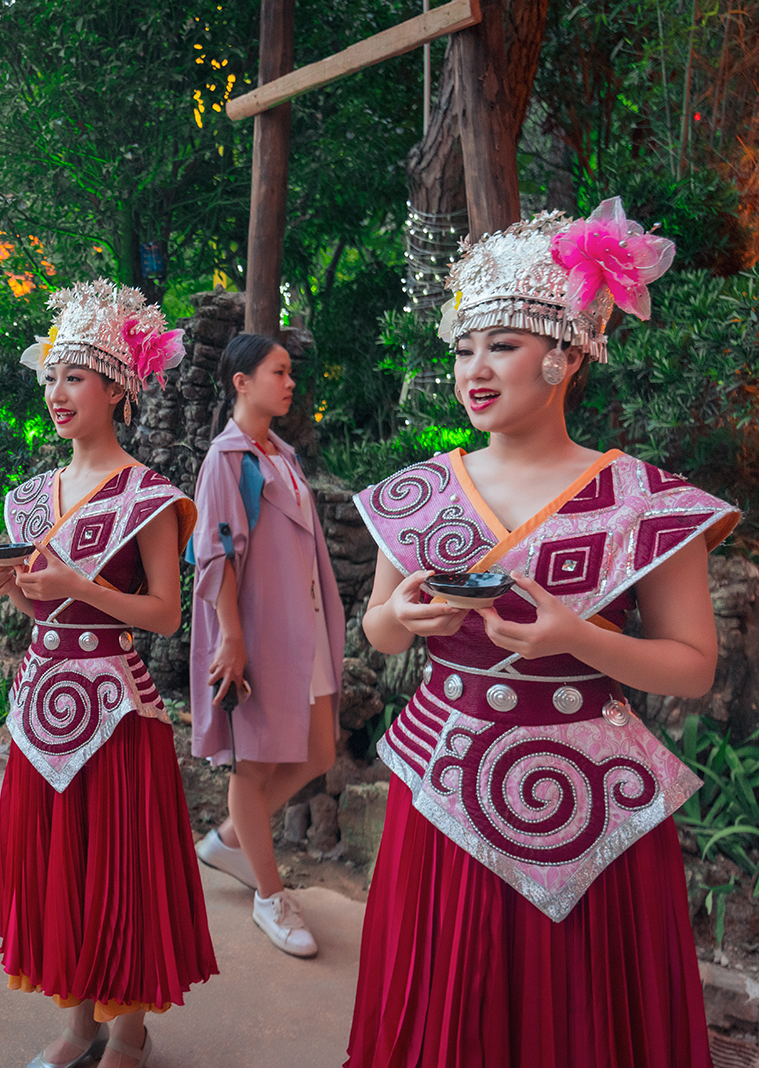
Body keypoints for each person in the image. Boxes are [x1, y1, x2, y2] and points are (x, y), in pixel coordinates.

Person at [345, 199, 724, 1068]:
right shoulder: (418, 492)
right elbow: (379, 629)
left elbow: (693, 668)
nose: (475, 370)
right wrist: (400, 617)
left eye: (502, 346)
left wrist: (579, 639)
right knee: (447, 1008)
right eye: (463, 349)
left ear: (563, 355)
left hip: (591, 800)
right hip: (441, 788)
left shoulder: (645, 500)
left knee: (579, 1022)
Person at [0, 280, 216, 1068]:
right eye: (50, 376)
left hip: (118, 710)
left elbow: (163, 616)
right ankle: (78, 1022)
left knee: (117, 869)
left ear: (117, 388)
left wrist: (79, 586)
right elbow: (40, 620)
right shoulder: (27, 498)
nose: (56, 393)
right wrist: (19, 593)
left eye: (74, 376)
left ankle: (129, 1030)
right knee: (60, 866)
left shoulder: (151, 496)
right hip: (42, 702)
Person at [188, 332, 344, 958]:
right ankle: (268, 894)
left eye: (289, 373)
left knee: (320, 750)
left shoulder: (280, 452)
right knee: (252, 766)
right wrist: (231, 636)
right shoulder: (226, 460)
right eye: (277, 372)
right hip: (255, 632)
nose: (289, 383)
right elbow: (215, 552)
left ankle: (229, 840)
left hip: (303, 626)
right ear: (241, 381)